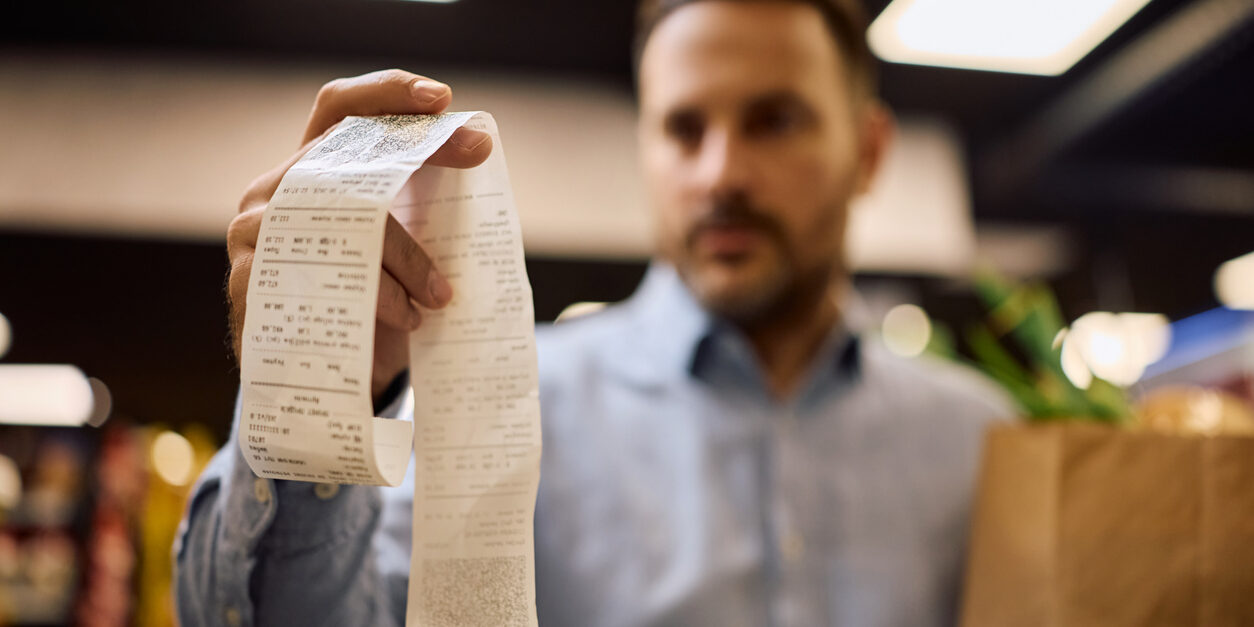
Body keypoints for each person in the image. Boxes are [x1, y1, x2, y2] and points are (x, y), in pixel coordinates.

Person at [175, 0, 1013, 625]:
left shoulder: (983, 443)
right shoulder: (502, 402)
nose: (721, 172)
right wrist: (312, 413)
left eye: (774, 121)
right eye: (685, 128)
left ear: (867, 154)